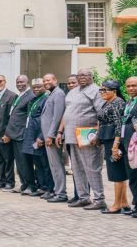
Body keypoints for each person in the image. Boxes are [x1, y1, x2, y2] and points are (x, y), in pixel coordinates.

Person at [58, 68, 106, 210]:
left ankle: (99, 199)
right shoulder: (73, 91)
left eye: (85, 75)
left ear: (91, 76)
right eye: (79, 75)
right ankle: (83, 197)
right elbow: (67, 112)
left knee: (92, 167)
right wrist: (60, 132)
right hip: (72, 135)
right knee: (77, 168)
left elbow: (101, 114)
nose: (81, 77)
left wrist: (98, 134)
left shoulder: (96, 91)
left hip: (88, 136)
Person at [97, 80, 128, 214]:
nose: (102, 92)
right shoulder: (108, 102)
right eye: (101, 90)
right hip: (108, 140)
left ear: (114, 91)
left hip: (115, 141)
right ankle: (124, 202)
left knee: (117, 173)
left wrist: (115, 146)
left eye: (105, 90)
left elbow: (118, 125)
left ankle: (116, 205)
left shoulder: (118, 102)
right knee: (118, 172)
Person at [3, 75, 34, 194]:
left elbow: (28, 117)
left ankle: (31, 185)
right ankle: (24, 184)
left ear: (27, 82)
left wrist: (24, 133)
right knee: (19, 163)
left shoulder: (30, 95)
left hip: (22, 134)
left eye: (22, 82)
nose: (20, 84)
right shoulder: (20, 95)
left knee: (25, 162)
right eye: (17, 82)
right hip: (15, 135)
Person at [41, 73, 68, 203]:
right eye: (44, 80)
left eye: (48, 80)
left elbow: (57, 116)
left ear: (55, 80)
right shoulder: (51, 94)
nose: (46, 82)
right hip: (48, 136)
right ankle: (57, 191)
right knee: (53, 165)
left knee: (57, 165)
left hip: (51, 136)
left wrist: (51, 134)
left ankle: (61, 193)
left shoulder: (59, 94)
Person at [22, 79, 51, 198]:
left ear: (44, 86)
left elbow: (45, 120)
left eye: (39, 86)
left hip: (39, 137)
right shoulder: (34, 99)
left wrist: (41, 137)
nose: (36, 89)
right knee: (37, 163)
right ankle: (41, 186)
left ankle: (47, 188)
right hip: (31, 137)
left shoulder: (46, 99)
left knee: (44, 163)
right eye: (34, 87)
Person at [0, 74, 17, 189]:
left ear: (5, 82)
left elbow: (12, 117)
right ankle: (1, 181)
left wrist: (8, 133)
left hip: (5, 134)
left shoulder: (12, 96)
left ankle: (10, 182)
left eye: (0, 81)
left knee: (8, 159)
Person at [121, 76, 137, 217]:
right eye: (128, 86)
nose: (131, 88)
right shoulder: (129, 102)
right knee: (132, 175)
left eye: (134, 85)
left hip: (135, 144)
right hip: (128, 144)